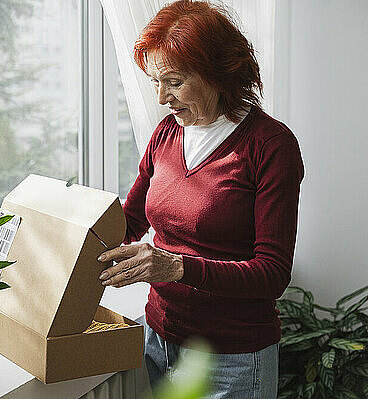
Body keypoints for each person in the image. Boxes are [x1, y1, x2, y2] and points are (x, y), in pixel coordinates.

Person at [97, 1, 304, 398]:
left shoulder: (270, 146)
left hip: (232, 360)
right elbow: (130, 222)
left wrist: (176, 267)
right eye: (156, 81)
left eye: (173, 82)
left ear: (217, 74)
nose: (161, 97)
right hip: (156, 339)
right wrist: (72, 228)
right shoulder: (166, 134)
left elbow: (272, 274)